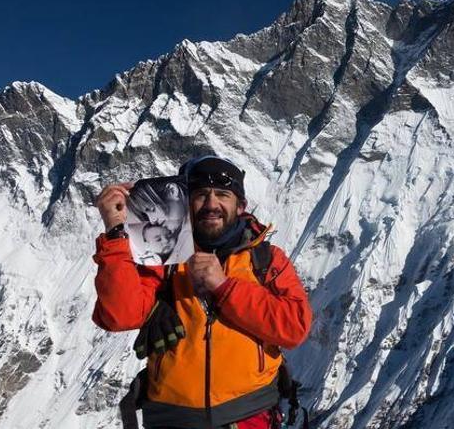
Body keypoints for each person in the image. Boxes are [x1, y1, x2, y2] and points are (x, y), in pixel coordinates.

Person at [92, 156, 312, 428]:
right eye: (200, 195)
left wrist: (225, 287)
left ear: (240, 205)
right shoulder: (162, 257)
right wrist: (115, 232)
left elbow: (295, 327)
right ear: (185, 203)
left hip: (249, 416)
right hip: (172, 418)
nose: (211, 204)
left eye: (222, 195)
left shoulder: (265, 260)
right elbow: (119, 314)